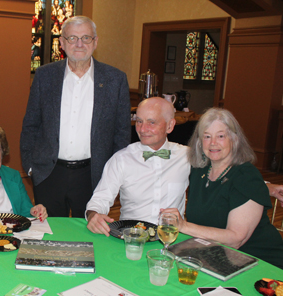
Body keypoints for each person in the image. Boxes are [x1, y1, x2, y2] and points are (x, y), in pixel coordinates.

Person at [20, 16, 130, 218]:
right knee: (50, 234)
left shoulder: (115, 79)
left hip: (93, 174)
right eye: (72, 38)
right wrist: (31, 167)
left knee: (90, 236)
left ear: (95, 42)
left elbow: (122, 132)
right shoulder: (44, 76)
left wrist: (114, 173)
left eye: (86, 38)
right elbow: (31, 124)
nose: (79, 44)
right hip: (49, 174)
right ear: (62, 43)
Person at [162, 108, 283, 269]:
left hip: (260, 265)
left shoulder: (246, 175)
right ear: (199, 141)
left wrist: (183, 226)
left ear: (234, 139)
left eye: (220, 136)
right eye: (207, 136)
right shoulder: (199, 170)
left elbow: (235, 239)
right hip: (216, 259)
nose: (213, 143)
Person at [85, 97, 189, 235]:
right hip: (131, 238)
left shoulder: (187, 156)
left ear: (170, 126)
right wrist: (93, 215)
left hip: (170, 238)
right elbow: (100, 199)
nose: (142, 129)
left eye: (151, 122)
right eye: (139, 121)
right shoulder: (121, 159)